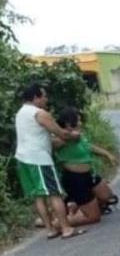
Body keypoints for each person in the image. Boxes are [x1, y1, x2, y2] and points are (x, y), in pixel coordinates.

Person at [14, 83, 85, 239]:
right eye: (44, 96)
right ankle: (66, 228)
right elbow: (61, 134)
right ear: (36, 97)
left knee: (38, 196)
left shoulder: (20, 113)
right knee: (54, 194)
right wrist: (74, 135)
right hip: (39, 159)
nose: (46, 99)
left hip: (23, 158)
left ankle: (50, 229)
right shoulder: (40, 113)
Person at [53, 107, 118, 226]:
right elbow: (55, 143)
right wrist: (68, 136)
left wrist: (107, 154)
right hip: (75, 179)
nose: (80, 123)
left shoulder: (79, 135)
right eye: (77, 121)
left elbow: (89, 147)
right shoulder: (60, 139)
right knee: (94, 218)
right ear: (68, 123)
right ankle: (59, 223)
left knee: (108, 197)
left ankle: (76, 205)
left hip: (89, 175)